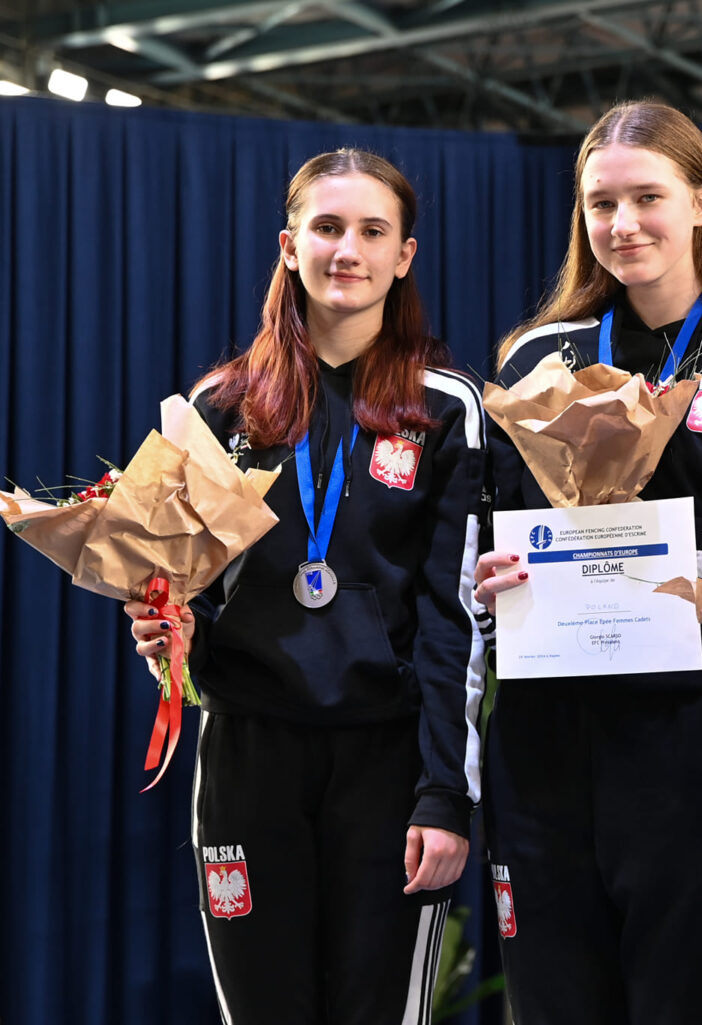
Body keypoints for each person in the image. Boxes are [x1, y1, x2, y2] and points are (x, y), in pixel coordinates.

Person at [472, 101, 702, 1025]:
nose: (621, 225)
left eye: (647, 198)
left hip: (697, 726)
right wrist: (491, 584)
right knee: (555, 999)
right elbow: (495, 531)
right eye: (601, 204)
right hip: (549, 721)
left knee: (695, 999)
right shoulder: (536, 357)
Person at [125, 149, 486, 1025]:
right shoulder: (221, 408)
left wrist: (445, 793)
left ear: (405, 255)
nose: (346, 250)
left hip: (387, 764)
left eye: (372, 231)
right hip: (249, 757)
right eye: (327, 228)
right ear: (290, 246)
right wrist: (167, 640)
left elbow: (453, 622)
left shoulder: (447, 410)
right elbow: (188, 592)